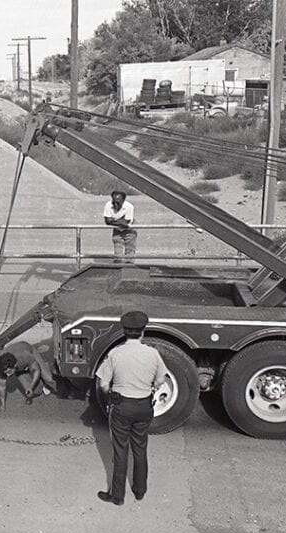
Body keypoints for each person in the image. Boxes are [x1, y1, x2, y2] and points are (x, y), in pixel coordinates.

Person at [95, 311, 167, 506]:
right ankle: (140, 490)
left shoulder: (115, 353)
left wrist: (112, 391)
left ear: (124, 331)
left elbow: (102, 384)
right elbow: (160, 379)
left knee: (120, 451)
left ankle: (117, 496)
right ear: (143, 331)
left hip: (121, 406)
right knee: (140, 448)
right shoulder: (153, 353)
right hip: (144, 406)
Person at [0, 341, 56, 412]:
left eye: (9, 372)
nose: (8, 375)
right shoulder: (2, 365)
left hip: (29, 351)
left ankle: (64, 389)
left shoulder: (24, 356)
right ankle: (41, 383)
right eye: (6, 373)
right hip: (18, 364)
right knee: (36, 391)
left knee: (49, 379)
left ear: (14, 365)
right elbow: (2, 386)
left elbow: (36, 369)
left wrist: (31, 386)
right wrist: (2, 405)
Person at [104, 190, 136, 263]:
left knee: (130, 251)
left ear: (123, 200)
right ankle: (118, 269)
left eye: (118, 202)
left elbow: (126, 223)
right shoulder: (108, 205)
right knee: (118, 253)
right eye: (114, 201)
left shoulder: (129, 207)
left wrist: (113, 220)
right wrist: (120, 220)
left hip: (130, 230)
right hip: (117, 230)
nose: (115, 204)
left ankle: (129, 268)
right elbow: (107, 221)